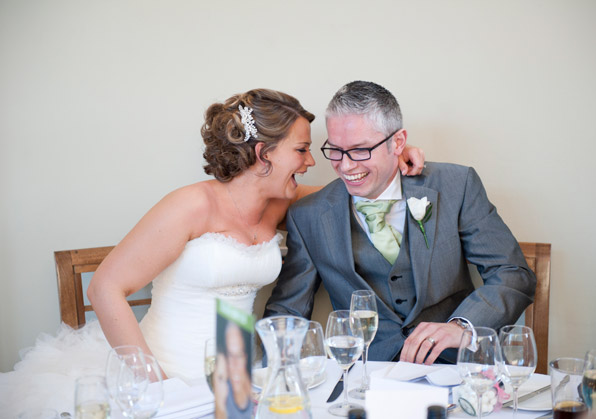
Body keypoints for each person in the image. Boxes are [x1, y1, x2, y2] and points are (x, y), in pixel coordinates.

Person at [0, 87, 425, 416]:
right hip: (164, 376)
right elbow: (106, 288)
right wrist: (156, 385)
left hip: (238, 382)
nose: (311, 161)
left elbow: (353, 189)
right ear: (264, 154)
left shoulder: (281, 204)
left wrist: (395, 155)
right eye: (301, 149)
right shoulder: (190, 206)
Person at [265, 81, 537, 365]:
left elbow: (512, 273)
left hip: (458, 371)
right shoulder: (308, 215)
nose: (345, 166)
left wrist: (461, 327)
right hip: (366, 376)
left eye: (360, 150)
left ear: (397, 142)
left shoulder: (457, 186)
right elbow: (288, 312)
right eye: (336, 150)